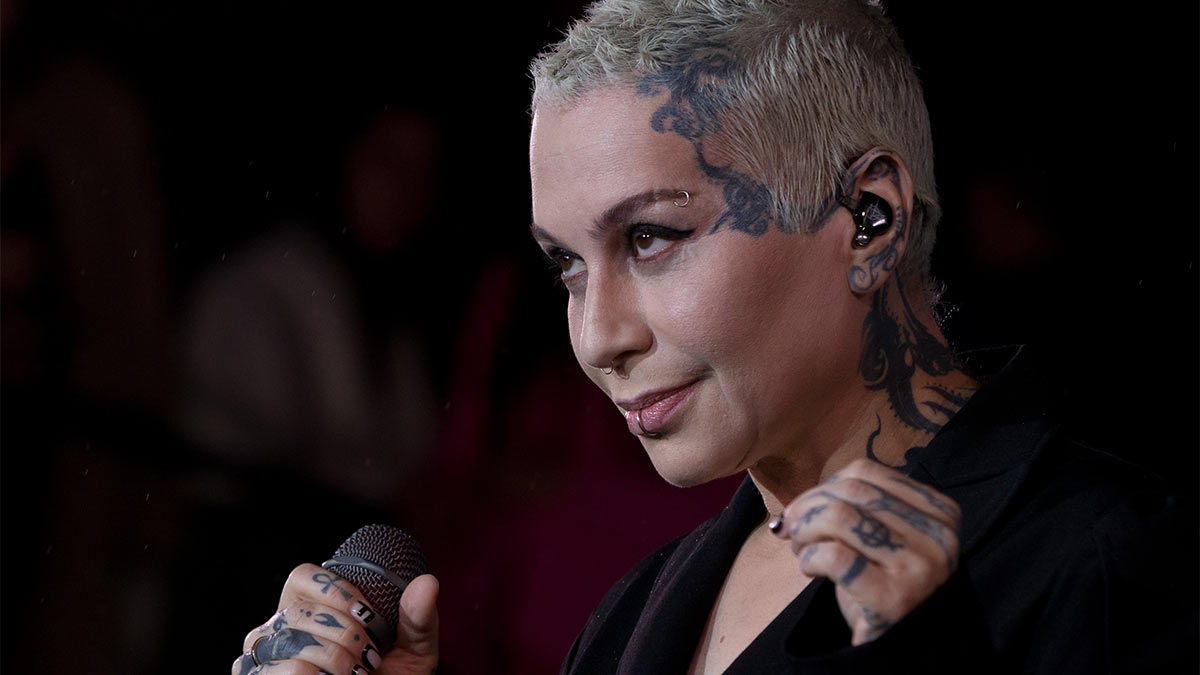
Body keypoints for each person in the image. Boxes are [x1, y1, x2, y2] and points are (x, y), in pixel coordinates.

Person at [232, 2, 1195, 674]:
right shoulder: (634, 615)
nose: (597, 338)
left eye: (651, 237)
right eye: (567, 265)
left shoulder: (1101, 555)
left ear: (869, 218)